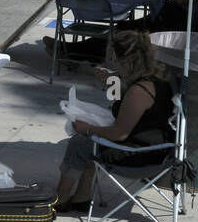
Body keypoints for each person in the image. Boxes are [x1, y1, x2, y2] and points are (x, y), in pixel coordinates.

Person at [56, 30, 174, 212]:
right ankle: (82, 197)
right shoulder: (156, 78)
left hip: (140, 154)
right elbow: (122, 105)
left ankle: (60, 198)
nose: (115, 66)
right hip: (156, 147)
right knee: (90, 141)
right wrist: (112, 81)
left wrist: (87, 128)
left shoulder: (139, 91)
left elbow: (120, 133)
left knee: (79, 143)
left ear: (128, 62)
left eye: (116, 62)